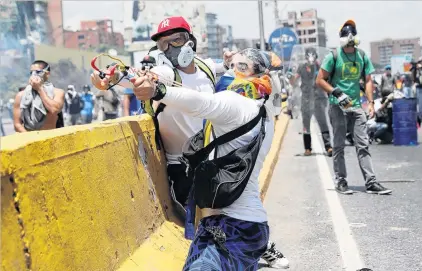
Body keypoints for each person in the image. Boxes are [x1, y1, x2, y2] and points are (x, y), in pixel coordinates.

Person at [91, 16, 289, 269]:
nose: (171, 48)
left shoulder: (223, 89)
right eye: (164, 44)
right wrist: (113, 78)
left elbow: (203, 102)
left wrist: (159, 92)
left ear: (191, 41)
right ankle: (253, 246)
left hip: (225, 203)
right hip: (189, 165)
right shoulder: (167, 73)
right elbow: (140, 76)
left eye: (177, 39)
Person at [133, 48, 279, 271]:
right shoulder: (264, 114)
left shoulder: (237, 105)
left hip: (229, 227)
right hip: (252, 228)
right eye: (229, 66)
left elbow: (201, 103)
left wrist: (158, 90)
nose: (229, 72)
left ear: (251, 74)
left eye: (237, 67)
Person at [316, 19, 392, 195]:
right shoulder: (333, 57)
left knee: (363, 144)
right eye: (346, 34)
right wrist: (336, 92)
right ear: (342, 37)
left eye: (352, 34)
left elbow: (367, 80)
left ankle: (371, 182)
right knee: (339, 145)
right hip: (338, 106)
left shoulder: (362, 56)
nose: (350, 37)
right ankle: (341, 181)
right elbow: (319, 80)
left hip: (356, 106)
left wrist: (371, 103)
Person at [289, 47, 333, 156]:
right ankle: (307, 148)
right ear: (305, 56)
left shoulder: (320, 67)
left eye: (313, 55)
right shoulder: (301, 67)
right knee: (306, 124)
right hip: (306, 99)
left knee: (323, 122)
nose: (311, 58)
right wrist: (290, 76)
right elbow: (294, 81)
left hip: (319, 99)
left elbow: (327, 79)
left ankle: (328, 147)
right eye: (309, 55)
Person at [13, 60, 65, 132]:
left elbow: (54, 110)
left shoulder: (58, 92)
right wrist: (32, 139)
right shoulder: (21, 95)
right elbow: (17, 124)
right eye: (31, 72)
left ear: (47, 74)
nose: (33, 75)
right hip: (29, 138)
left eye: (38, 72)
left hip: (50, 137)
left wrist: (39, 89)